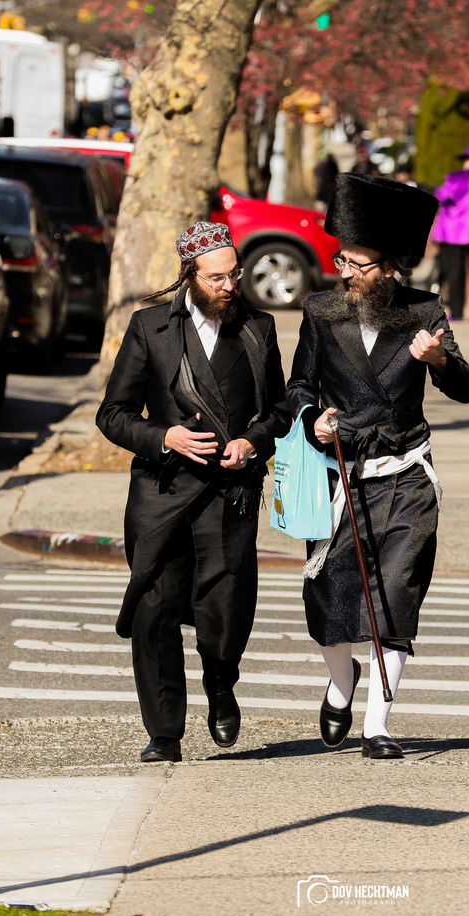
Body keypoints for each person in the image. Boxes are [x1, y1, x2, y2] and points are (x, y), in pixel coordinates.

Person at [288, 173, 469, 760]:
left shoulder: (426, 313)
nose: (346, 272)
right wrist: (312, 416)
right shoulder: (322, 313)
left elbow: (467, 388)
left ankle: (378, 725)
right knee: (332, 597)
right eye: (342, 259)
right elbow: (297, 385)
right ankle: (341, 683)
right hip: (342, 474)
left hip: (406, 478)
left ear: (391, 267)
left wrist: (440, 357)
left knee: (397, 596)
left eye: (360, 264)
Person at [96, 221, 290, 763]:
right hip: (162, 493)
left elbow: (278, 409)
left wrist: (252, 442)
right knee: (154, 611)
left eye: (235, 274)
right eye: (217, 278)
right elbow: (111, 415)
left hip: (230, 493)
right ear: (191, 275)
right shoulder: (149, 327)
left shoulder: (258, 328)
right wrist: (164, 437)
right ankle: (164, 733)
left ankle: (221, 683)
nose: (229, 286)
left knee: (225, 609)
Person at [431, 145, 469, 321]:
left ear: (468, 160)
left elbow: (441, 195)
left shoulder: (456, 178)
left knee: (455, 271)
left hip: (455, 231)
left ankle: (457, 312)